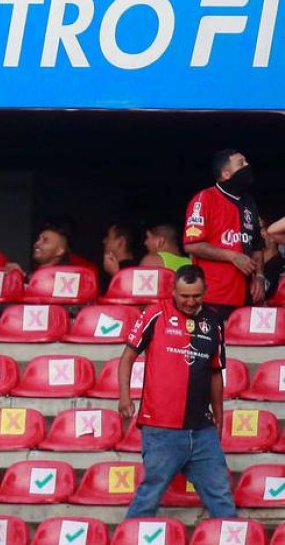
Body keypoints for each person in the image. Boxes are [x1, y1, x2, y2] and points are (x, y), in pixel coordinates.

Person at [119, 264, 236, 520]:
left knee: (221, 496)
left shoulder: (214, 321)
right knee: (150, 494)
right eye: (184, 296)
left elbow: (216, 372)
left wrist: (219, 416)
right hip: (162, 428)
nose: (190, 302)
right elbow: (127, 357)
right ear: (173, 290)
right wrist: (124, 398)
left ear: (205, 291)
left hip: (202, 428)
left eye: (196, 295)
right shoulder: (155, 313)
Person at [184, 148, 264, 322]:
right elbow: (191, 244)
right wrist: (232, 256)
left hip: (246, 296)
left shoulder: (249, 202)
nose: (247, 166)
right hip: (213, 297)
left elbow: (257, 246)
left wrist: (259, 276)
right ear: (226, 174)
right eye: (241, 163)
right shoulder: (204, 199)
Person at [101, 220, 140, 285]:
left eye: (108, 237)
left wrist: (115, 274)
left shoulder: (133, 272)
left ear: (120, 242)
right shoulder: (137, 267)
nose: (104, 241)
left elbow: (129, 292)